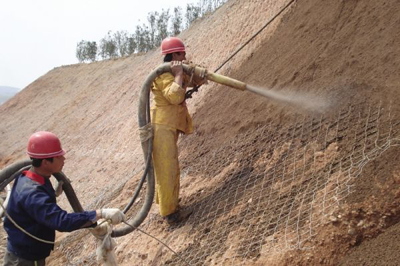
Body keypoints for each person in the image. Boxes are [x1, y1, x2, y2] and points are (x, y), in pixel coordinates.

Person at [2, 131, 125, 266]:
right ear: (45, 162)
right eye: (58, 156)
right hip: (25, 260)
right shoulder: (32, 193)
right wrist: (101, 213)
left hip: (24, 253)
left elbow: (34, 208)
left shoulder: (32, 177)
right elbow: (61, 221)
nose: (63, 158)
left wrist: (52, 195)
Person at [151, 37, 205, 224]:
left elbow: (191, 82)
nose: (185, 55)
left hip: (168, 126)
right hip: (161, 128)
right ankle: (170, 215)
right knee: (167, 170)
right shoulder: (162, 75)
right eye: (182, 53)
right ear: (174, 54)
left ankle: (169, 204)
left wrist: (197, 74)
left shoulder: (173, 73)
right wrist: (179, 74)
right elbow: (174, 96)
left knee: (171, 167)